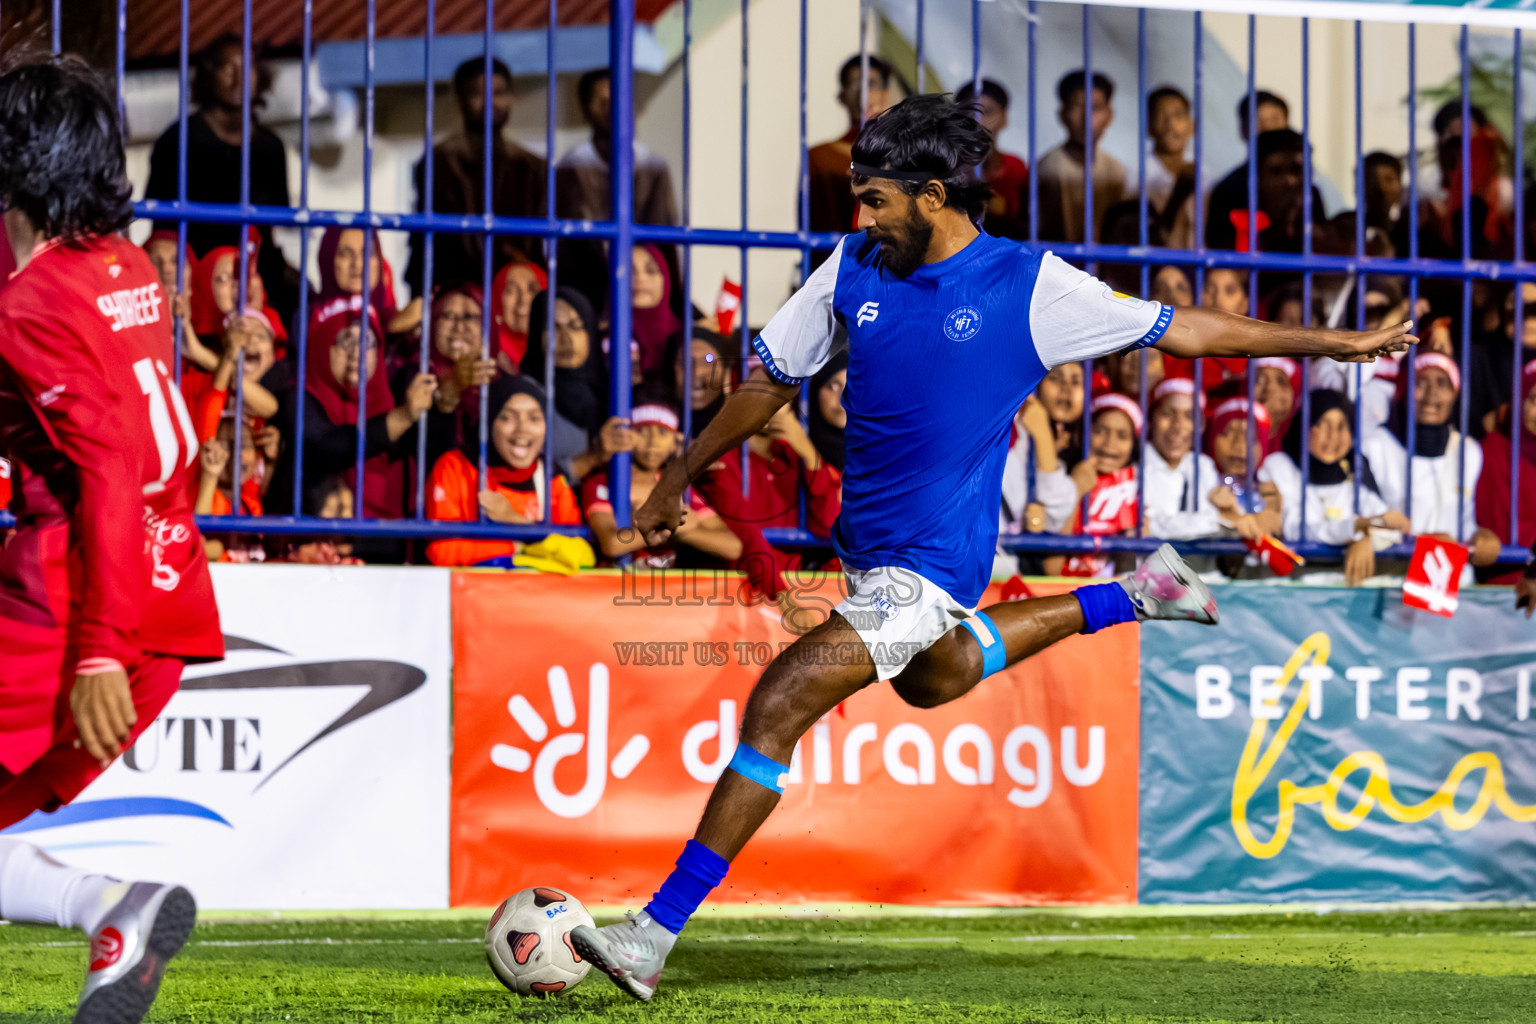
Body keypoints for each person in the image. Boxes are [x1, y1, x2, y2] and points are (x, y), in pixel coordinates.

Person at [567, 93, 1416, 999]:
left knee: (780, 700)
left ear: (932, 195)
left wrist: (1337, 341)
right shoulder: (852, 265)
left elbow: (1189, 331)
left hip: (934, 563)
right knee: (937, 681)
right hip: (869, 552)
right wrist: (675, 477)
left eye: (877, 199)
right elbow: (768, 383)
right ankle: (1133, 596)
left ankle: (652, 935)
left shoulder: (1030, 285)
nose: (862, 216)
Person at [0, 56, 221, 1022]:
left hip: (80, 606)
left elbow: (104, 469)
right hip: (168, 604)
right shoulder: (123, 265)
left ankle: (111, 907)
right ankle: (113, 909)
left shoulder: (31, 299)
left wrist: (94, 649)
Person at [144, 35, 294, 321]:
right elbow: (161, 227)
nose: (238, 78)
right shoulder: (177, 141)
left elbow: (276, 224)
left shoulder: (270, 147)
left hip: (255, 277)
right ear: (209, 74)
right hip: (194, 277)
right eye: (227, 68)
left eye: (247, 67)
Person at [404, 58, 546, 299]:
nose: (490, 102)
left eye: (499, 92)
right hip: (456, 291)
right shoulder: (440, 160)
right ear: (460, 100)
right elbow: (435, 242)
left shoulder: (533, 165)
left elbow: (543, 242)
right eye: (477, 93)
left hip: (520, 294)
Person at [556, 68, 678, 313]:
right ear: (585, 110)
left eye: (623, 100)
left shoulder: (653, 166)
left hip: (644, 292)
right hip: (587, 292)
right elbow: (569, 249)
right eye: (602, 101)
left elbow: (665, 243)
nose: (614, 109)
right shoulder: (570, 167)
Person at [425, 375, 581, 567]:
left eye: (534, 418)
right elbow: (442, 551)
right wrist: (520, 546)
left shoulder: (552, 479)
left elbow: (579, 554)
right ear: (490, 421)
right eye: (507, 417)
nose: (522, 430)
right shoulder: (455, 467)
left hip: (539, 595)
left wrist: (514, 521)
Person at [1259, 389, 1410, 585]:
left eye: (1341, 426)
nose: (1333, 436)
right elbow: (1295, 530)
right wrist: (1356, 528)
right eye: (1323, 424)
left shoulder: (1350, 479)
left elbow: (1395, 526)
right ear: (1305, 426)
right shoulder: (1279, 467)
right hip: (1293, 587)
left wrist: (1366, 538)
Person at [1362, 352, 1499, 566]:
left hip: (1452, 582)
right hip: (1392, 578)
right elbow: (1364, 526)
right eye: (1420, 382)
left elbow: (1467, 524)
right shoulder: (1374, 448)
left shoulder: (1468, 451)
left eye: (1441, 383)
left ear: (1455, 394)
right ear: (1404, 390)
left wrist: (1483, 539)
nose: (1431, 393)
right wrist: (1427, 541)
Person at [580, 400, 741, 567]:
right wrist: (668, 528)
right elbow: (612, 544)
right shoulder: (602, 482)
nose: (652, 442)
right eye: (641, 431)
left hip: (661, 590)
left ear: (675, 442)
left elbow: (733, 547)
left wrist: (676, 529)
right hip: (613, 587)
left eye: (663, 432)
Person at [807, 55, 895, 262]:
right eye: (853, 85)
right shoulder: (823, 158)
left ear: (887, 94)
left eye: (871, 84)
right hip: (840, 263)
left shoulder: (906, 153)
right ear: (842, 96)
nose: (863, 93)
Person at [1035, 70, 1125, 244]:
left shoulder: (1116, 170)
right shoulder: (1046, 169)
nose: (1086, 118)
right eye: (1077, 106)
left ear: (1109, 115)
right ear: (1062, 113)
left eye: (1096, 108)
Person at [1142, 378, 1223, 539]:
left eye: (1188, 416)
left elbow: (1213, 524)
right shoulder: (1137, 463)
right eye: (1167, 414)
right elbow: (1140, 526)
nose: (1178, 426)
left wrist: (1154, 526)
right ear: (1151, 420)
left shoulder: (1202, 465)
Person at [955, 78, 1028, 239]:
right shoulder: (948, 169)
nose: (977, 121)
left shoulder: (1016, 168)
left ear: (1004, 118)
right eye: (969, 112)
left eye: (986, 112)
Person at [491, 258, 548, 371]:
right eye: (511, 291)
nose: (523, 300)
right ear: (497, 301)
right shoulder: (487, 354)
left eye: (533, 289)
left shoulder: (558, 350)